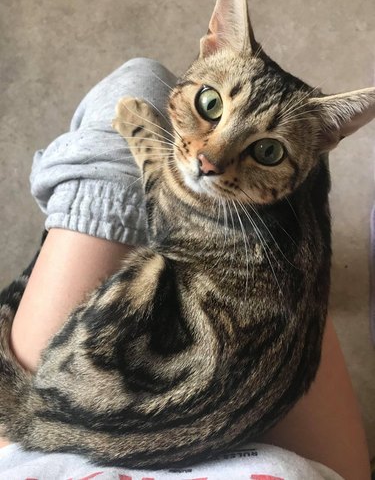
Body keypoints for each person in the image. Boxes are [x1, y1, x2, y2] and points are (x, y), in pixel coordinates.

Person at [0, 58, 370, 480]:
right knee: (310, 187)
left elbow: (166, 230)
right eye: (210, 105)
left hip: (62, 416)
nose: (210, 158)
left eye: (265, 150)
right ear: (212, 41)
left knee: (137, 78)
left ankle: (51, 241)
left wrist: (146, 140)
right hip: (308, 466)